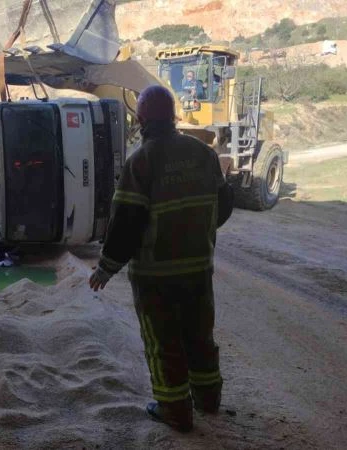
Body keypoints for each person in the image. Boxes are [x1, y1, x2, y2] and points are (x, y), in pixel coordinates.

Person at [88, 85, 234, 432]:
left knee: (163, 342)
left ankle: (175, 410)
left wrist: (106, 268)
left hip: (156, 277)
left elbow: (126, 223)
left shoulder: (141, 161)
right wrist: (198, 233)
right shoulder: (204, 154)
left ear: (140, 119)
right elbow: (223, 204)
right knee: (199, 334)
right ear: (174, 116)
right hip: (199, 268)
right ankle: (209, 399)